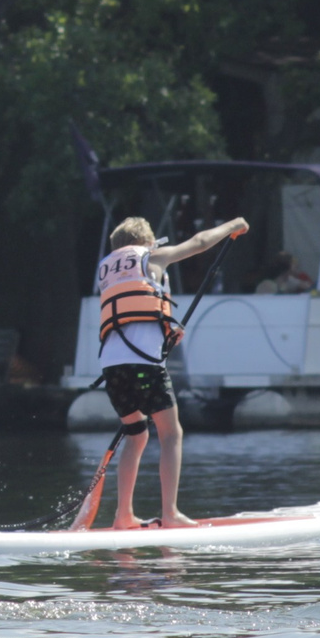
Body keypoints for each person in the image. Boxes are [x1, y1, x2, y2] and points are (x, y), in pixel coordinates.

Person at [94, 212, 249, 529]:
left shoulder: (106, 269)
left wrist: (168, 329)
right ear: (147, 242)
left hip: (112, 368)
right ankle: (170, 513)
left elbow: (132, 315)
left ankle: (123, 514)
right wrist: (233, 225)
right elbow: (200, 242)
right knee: (171, 433)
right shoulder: (151, 256)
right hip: (144, 366)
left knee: (136, 435)